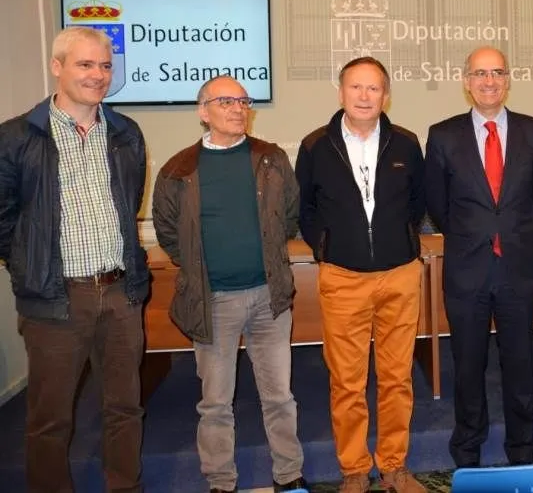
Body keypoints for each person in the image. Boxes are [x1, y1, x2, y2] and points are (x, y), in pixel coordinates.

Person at [0, 25, 149, 491]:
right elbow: (3, 220)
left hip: (120, 294)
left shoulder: (126, 133)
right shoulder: (17, 137)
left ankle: (124, 485)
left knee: (124, 408)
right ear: (57, 67)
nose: (98, 75)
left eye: (105, 65)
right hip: (55, 299)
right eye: (85, 64)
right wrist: (30, 265)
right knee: (50, 419)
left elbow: (129, 204)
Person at [152, 75, 307, 493]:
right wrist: (205, 268)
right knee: (216, 402)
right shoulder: (177, 170)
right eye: (226, 101)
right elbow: (169, 233)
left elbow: (289, 215)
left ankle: (289, 476)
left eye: (243, 101)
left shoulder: (272, 159)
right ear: (203, 113)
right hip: (212, 300)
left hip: (268, 299)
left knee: (279, 397)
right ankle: (221, 481)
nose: (238, 108)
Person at [295, 56, 426, 493]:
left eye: (374, 89)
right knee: (347, 382)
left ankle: (393, 466)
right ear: (341, 92)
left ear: (385, 95)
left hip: (400, 277)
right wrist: (327, 247)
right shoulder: (315, 145)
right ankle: (353, 470)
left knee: (396, 378)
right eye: (356, 87)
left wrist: (402, 240)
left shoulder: (406, 144)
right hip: (343, 279)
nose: (365, 96)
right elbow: (306, 210)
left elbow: (417, 203)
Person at [425, 46, 533, 467]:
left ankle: (522, 449)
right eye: (480, 73)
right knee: (468, 366)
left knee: (520, 365)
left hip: (517, 267)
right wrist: (476, 234)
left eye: (497, 72)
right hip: (467, 270)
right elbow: (438, 206)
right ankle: (467, 448)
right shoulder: (442, 135)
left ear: (508, 79)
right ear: (466, 81)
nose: (489, 81)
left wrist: (506, 231)